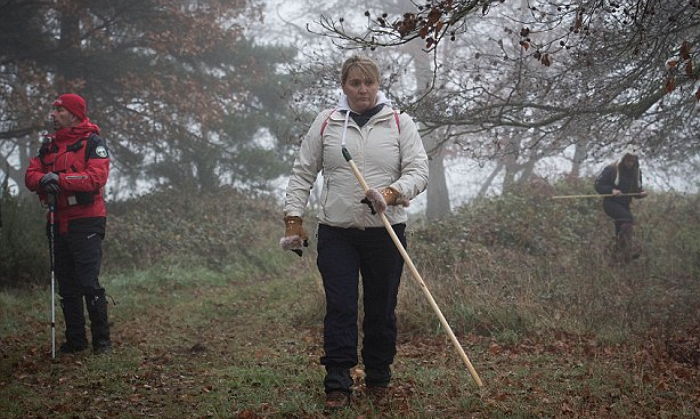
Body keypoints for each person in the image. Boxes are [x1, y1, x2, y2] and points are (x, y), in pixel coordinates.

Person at [281, 55, 429, 409]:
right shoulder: (326, 123)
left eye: (369, 83)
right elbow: (303, 173)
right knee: (341, 307)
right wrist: (293, 220)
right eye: (355, 83)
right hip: (337, 233)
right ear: (344, 86)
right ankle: (337, 382)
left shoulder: (398, 122)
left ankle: (378, 377)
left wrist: (391, 193)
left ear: (378, 85)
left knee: (381, 308)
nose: (362, 90)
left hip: (385, 232)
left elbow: (419, 171)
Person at [25, 93, 112, 355]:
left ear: (73, 114)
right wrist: (42, 181)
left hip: (86, 219)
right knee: (66, 283)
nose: (53, 115)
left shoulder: (93, 142)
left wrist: (60, 180)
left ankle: (102, 342)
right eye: (53, 110)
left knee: (88, 281)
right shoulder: (48, 145)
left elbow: (96, 177)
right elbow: (31, 174)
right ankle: (75, 341)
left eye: (59, 110)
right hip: (56, 219)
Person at [594, 147, 648, 263]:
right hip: (610, 203)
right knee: (628, 219)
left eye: (632, 161)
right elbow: (598, 186)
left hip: (624, 205)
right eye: (628, 160)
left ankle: (617, 257)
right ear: (623, 159)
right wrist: (611, 191)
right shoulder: (612, 169)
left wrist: (641, 194)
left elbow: (636, 191)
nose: (630, 163)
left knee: (622, 229)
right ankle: (625, 252)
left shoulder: (637, 172)